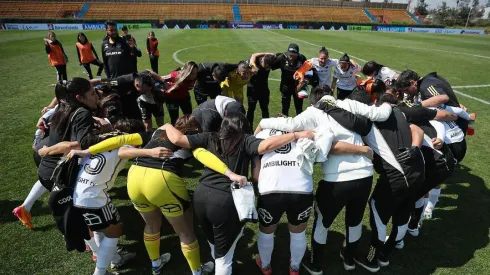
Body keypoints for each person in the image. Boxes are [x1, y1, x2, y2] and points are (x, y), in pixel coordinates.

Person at [257, 86, 391, 274]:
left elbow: (292, 125)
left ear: (313, 102)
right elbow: (380, 114)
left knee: (322, 222)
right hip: (365, 175)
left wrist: (264, 122)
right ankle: (350, 259)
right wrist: (387, 103)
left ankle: (315, 264)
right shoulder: (348, 104)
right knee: (355, 220)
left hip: (337, 178)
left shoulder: (314, 111)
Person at [162, 113, 315, 275]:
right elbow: (264, 148)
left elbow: (178, 139)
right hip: (225, 200)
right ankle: (292, 267)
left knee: (215, 243)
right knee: (224, 257)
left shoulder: (209, 137)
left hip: (201, 196)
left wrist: (167, 125)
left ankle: (257, 265)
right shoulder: (246, 140)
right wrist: (296, 135)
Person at [254, 123, 373, 275]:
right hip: (301, 188)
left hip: (271, 188)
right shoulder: (305, 132)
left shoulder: (262, 134)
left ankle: (265, 265)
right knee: (298, 232)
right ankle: (295, 267)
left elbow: (256, 172)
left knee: (267, 231)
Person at [344, 90, 425, 272]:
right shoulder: (399, 112)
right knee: (403, 214)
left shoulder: (366, 121)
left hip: (396, 176)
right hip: (418, 173)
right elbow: (417, 129)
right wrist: (414, 148)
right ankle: (385, 255)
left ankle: (372, 260)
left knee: (379, 215)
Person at [37, 78, 103, 193]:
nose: (96, 97)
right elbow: (81, 144)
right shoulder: (82, 113)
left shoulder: (62, 107)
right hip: (60, 174)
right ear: (79, 98)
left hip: (45, 171)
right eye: (92, 94)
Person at [271, 43, 307, 116]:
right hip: (285, 86)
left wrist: (303, 81)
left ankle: (300, 125)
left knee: (299, 108)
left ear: (297, 54)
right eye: (290, 54)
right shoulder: (282, 58)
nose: (291, 56)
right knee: (285, 108)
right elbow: (269, 66)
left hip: (298, 87)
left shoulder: (302, 58)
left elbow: (308, 70)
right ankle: (285, 125)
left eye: (293, 55)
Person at [246, 53, 276, 125]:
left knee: (265, 109)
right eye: (266, 66)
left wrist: (268, 53)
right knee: (251, 109)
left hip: (264, 90)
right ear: (263, 61)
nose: (267, 68)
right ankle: (249, 127)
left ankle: (266, 126)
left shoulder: (270, 61)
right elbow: (253, 55)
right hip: (252, 90)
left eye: (268, 67)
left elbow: (274, 55)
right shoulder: (253, 62)